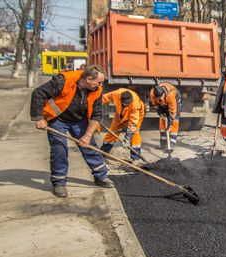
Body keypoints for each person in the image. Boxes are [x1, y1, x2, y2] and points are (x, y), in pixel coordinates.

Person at [30, 65, 113, 198]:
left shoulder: (97, 89)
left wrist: (87, 135)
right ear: (88, 79)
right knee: (59, 149)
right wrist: (39, 118)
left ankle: (100, 177)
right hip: (58, 119)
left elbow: (97, 114)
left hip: (79, 119)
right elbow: (38, 93)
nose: (100, 85)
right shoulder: (63, 81)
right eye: (98, 82)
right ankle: (59, 183)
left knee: (90, 146)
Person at [99, 89, 145, 165]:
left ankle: (136, 157)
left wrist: (127, 138)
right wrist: (93, 108)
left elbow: (133, 123)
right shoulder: (115, 94)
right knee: (113, 131)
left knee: (134, 134)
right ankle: (104, 151)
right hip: (120, 113)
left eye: (128, 103)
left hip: (136, 115)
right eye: (125, 103)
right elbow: (103, 98)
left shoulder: (135, 105)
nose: (127, 104)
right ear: (120, 100)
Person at [149, 83, 181, 151]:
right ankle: (163, 143)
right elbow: (156, 105)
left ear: (164, 93)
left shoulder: (171, 94)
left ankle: (172, 144)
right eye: (158, 97)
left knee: (174, 120)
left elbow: (172, 113)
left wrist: (169, 125)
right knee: (162, 119)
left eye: (162, 96)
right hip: (163, 103)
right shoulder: (152, 93)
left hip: (175, 100)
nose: (161, 98)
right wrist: (161, 113)